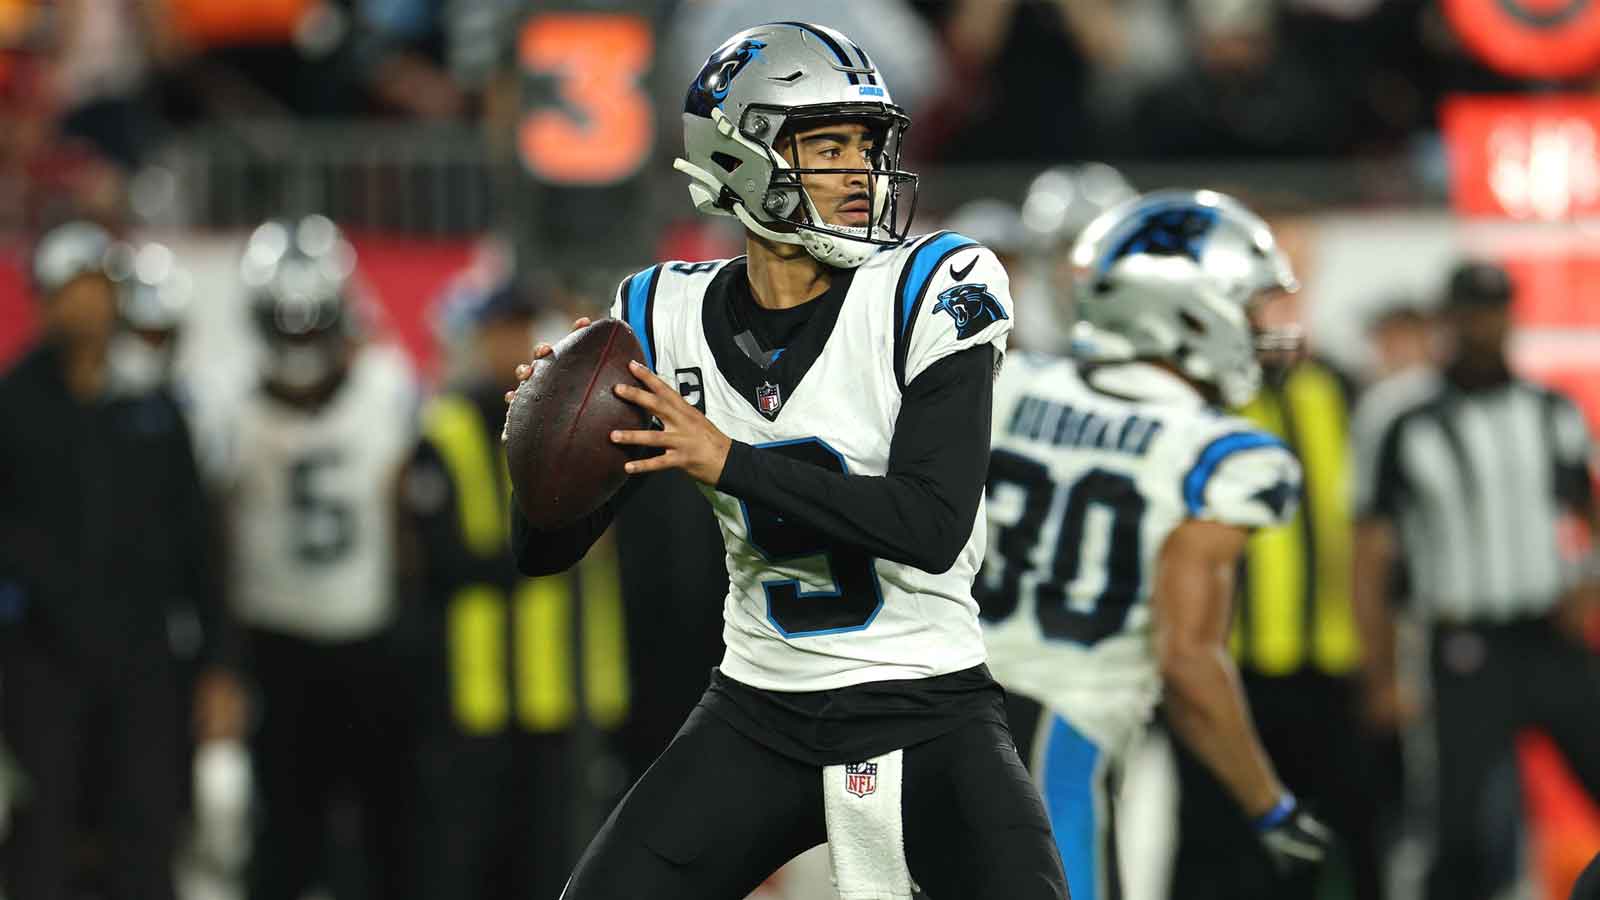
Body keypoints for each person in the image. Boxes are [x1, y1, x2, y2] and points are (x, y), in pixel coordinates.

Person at [506, 22, 1068, 899]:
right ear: (739, 156)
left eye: (867, 146)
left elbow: (930, 523)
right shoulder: (662, 312)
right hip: (758, 709)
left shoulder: (933, 284)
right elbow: (544, 550)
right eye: (828, 145)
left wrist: (728, 459)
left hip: (927, 701)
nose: (860, 174)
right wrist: (542, 448)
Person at [978, 190, 1333, 900]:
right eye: (1251, 306)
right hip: (1055, 745)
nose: (1269, 328)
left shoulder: (1010, 382)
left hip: (924, 721)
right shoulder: (1219, 452)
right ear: (1190, 312)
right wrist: (1271, 804)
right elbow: (1190, 661)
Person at [1352, 260, 1600, 900]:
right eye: (1471, 312)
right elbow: (1371, 552)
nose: (1484, 326)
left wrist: (1590, 582)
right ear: (1449, 320)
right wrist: (1381, 671)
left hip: (1548, 633)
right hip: (1464, 645)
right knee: (1457, 826)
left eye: (1495, 311)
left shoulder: (1550, 412)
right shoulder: (1403, 419)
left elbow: (1587, 509)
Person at [0, 221, 227, 900]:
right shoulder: (11, 404)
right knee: (42, 832)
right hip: (40, 659)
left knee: (147, 829)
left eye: (97, 288)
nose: (86, 305)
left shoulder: (154, 402)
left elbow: (198, 540)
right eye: (72, 288)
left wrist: (220, 662)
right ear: (44, 298)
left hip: (144, 657)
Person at [401, 275, 628, 900]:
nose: (514, 343)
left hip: (559, 683)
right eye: (502, 329)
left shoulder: (571, 418)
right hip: (474, 686)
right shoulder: (445, 424)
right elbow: (439, 560)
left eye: (523, 328)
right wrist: (540, 553)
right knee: (465, 859)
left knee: (550, 860)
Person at [216, 215, 418, 900]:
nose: (300, 338)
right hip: (276, 641)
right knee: (282, 835)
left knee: (382, 829)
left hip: (363, 636)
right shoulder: (238, 411)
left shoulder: (382, 390)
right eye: (288, 323)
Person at [1167, 286, 1388, 900]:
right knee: (1218, 847)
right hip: (1224, 669)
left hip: (1330, 664)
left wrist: (1381, 661)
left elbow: (1373, 533)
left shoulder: (1340, 389)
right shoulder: (1193, 401)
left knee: (1350, 843)